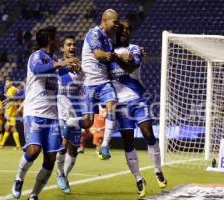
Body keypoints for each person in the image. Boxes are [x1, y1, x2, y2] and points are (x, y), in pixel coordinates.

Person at [11, 26, 79, 200]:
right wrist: (61, 64)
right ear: (50, 39)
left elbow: (64, 76)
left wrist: (74, 69)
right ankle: (19, 178)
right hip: (34, 113)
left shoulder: (54, 59)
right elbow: (38, 70)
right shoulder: (37, 56)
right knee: (34, 150)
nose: (58, 41)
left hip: (52, 116)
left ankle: (34, 195)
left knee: (50, 159)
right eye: (57, 38)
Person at [110, 20, 167, 199]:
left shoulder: (134, 48)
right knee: (128, 143)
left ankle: (157, 169)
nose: (126, 31)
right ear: (116, 31)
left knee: (148, 133)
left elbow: (131, 66)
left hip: (136, 98)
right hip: (119, 104)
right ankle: (139, 179)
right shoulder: (107, 52)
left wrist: (115, 58)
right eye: (123, 29)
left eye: (129, 29)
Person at [65, 9, 129, 160]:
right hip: (89, 84)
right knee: (87, 122)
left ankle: (105, 145)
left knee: (112, 106)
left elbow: (112, 57)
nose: (116, 25)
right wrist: (113, 55)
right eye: (115, 22)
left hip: (104, 82)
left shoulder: (108, 39)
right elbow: (98, 54)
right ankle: (69, 123)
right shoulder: (94, 34)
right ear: (104, 20)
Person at [55, 35, 83, 193]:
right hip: (60, 113)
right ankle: (59, 173)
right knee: (63, 145)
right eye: (68, 45)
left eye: (74, 45)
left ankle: (64, 175)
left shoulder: (82, 67)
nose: (72, 47)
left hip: (76, 114)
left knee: (73, 150)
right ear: (62, 48)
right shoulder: (57, 66)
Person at [0, 79, 21, 149]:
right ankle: (1, 144)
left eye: (7, 82)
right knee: (8, 129)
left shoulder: (10, 90)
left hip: (11, 110)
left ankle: (18, 146)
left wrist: (6, 113)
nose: (6, 84)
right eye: (5, 82)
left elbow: (9, 100)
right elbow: (19, 96)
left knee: (13, 129)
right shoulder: (15, 89)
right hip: (13, 109)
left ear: (11, 82)